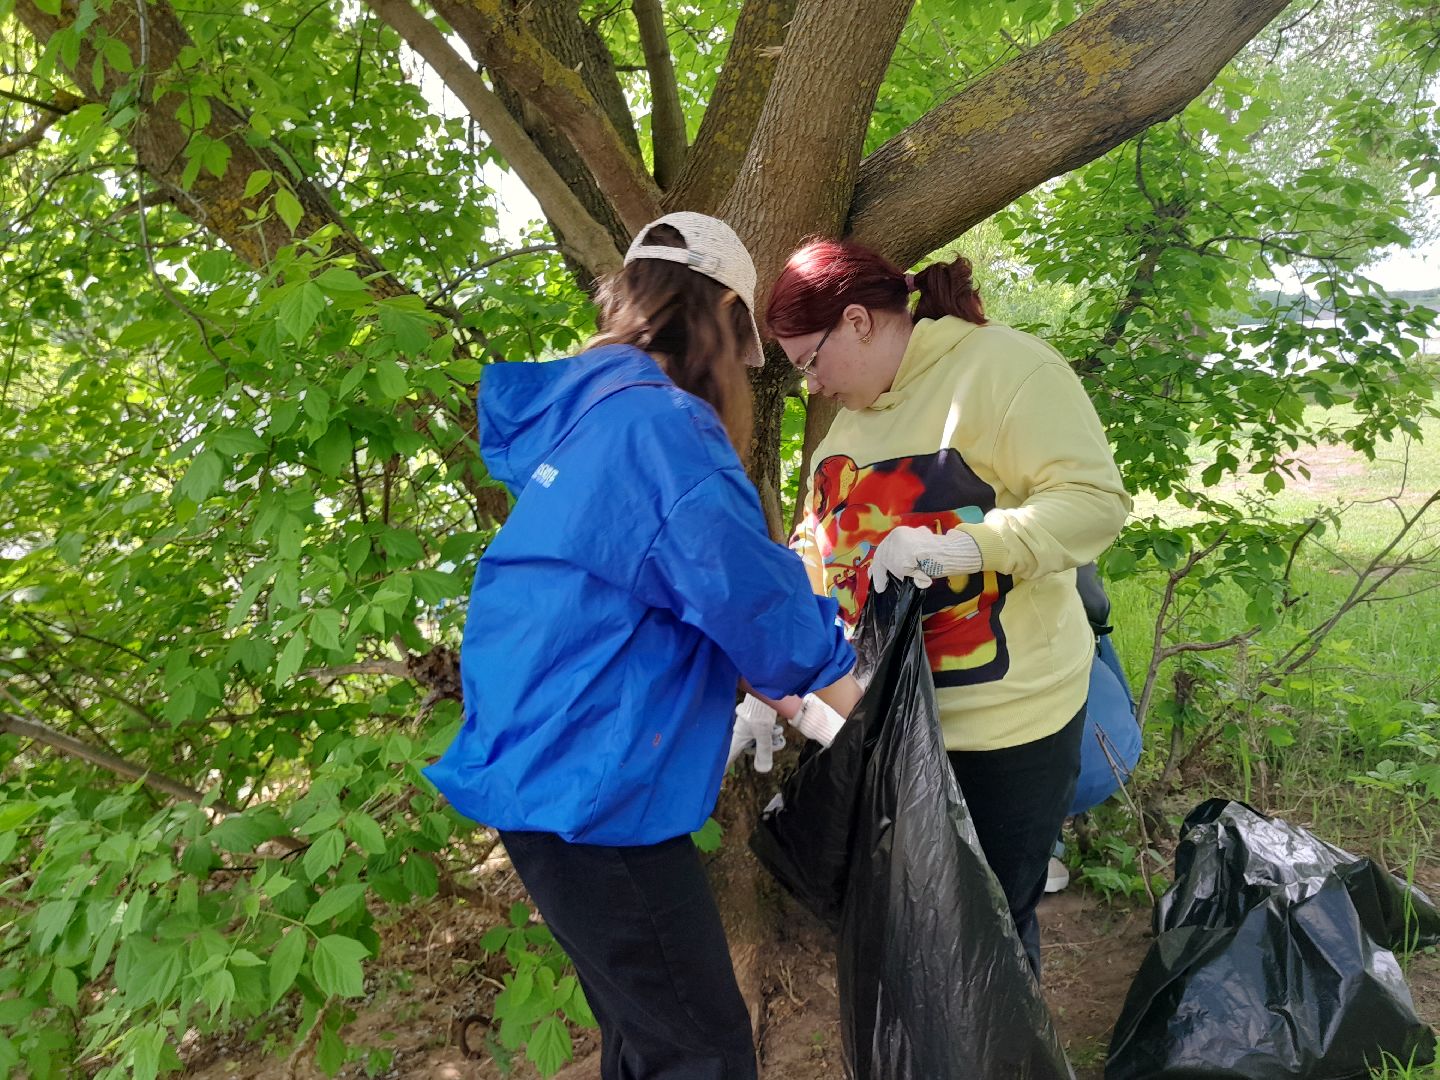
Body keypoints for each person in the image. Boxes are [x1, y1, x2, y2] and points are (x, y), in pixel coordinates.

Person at [424, 213, 863, 1080]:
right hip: (595, 795)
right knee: (701, 1055)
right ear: (725, 314)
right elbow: (752, 596)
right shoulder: (663, 429)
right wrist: (861, 711)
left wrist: (742, 690)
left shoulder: (591, 414)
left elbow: (641, 597)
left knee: (647, 1035)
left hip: (547, 780)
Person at [764, 238, 1131, 978]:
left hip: (1008, 731)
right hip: (888, 730)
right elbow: (817, 549)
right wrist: (789, 671)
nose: (811, 386)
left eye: (810, 361)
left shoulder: (1004, 371)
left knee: (992, 931)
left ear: (860, 322)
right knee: (917, 926)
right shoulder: (845, 430)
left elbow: (1096, 505)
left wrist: (967, 544)